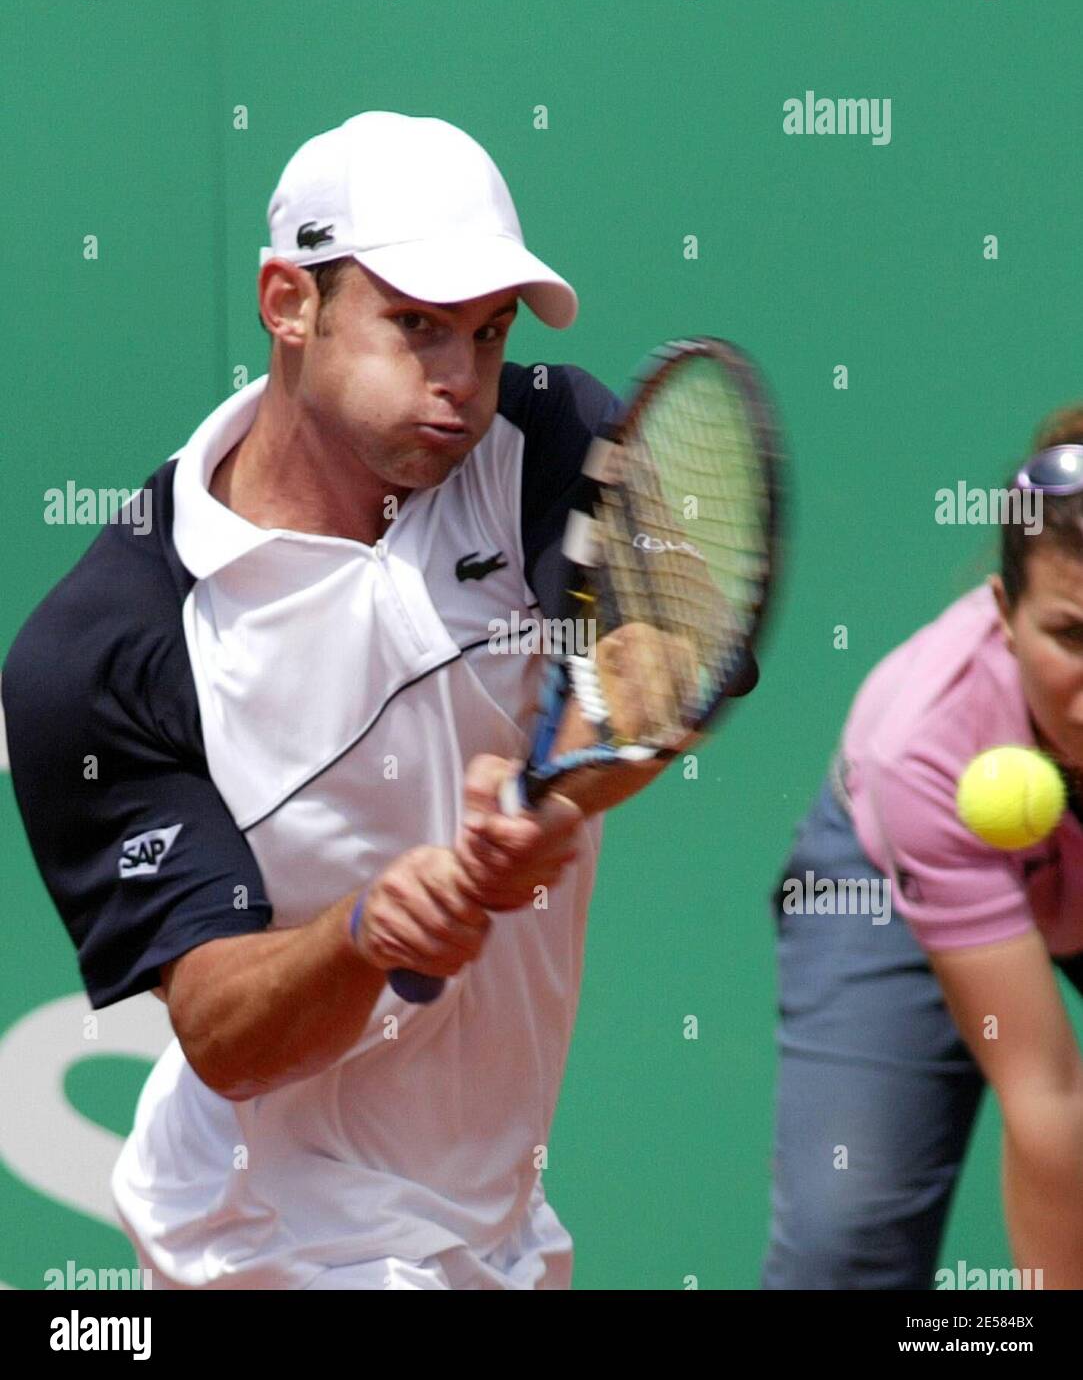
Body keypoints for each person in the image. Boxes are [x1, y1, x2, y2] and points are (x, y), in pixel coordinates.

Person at [2, 111, 680, 1290]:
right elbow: (221, 1031)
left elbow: (658, 659)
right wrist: (368, 933)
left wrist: (557, 793)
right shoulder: (99, 654)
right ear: (288, 304)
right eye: (415, 325)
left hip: (493, 1215)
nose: (461, 382)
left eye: (487, 329)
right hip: (277, 1237)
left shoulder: (546, 437)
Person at [762, 405, 1083, 1290]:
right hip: (889, 875)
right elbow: (1047, 1093)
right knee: (844, 1242)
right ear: (1003, 614)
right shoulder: (925, 745)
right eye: (1070, 634)